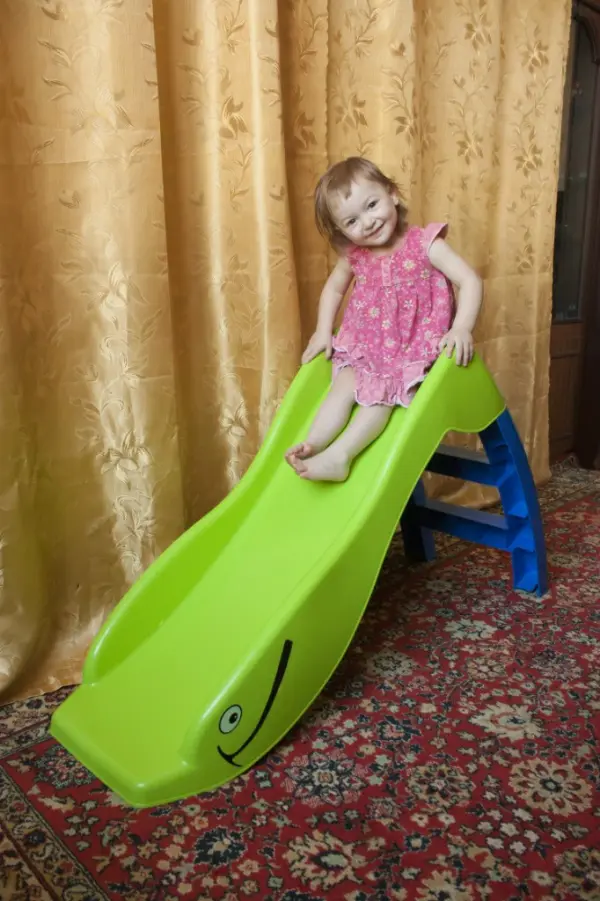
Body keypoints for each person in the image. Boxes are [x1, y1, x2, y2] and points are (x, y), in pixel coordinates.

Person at [285, 156, 483, 482]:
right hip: (369, 345)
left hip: (411, 348)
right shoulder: (356, 256)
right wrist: (322, 331)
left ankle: (341, 455)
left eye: (372, 205)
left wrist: (462, 327)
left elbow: (469, 280)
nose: (367, 222)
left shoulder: (425, 244)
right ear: (341, 231)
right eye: (351, 221)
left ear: (393, 194)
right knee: (343, 384)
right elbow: (334, 289)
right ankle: (313, 443)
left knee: (381, 396)